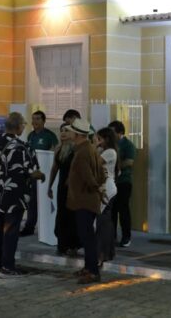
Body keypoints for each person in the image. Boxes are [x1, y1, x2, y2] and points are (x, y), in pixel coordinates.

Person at [0, 112, 45, 277]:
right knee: (10, 232)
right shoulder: (23, 147)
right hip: (15, 197)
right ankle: (8, 266)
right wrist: (42, 175)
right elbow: (33, 172)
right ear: (19, 127)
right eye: (23, 125)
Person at [67, 118, 106, 284]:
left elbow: (88, 177)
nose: (67, 133)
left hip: (84, 200)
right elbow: (102, 174)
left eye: (70, 131)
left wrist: (95, 188)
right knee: (87, 237)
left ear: (77, 134)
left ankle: (93, 271)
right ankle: (89, 268)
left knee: (87, 238)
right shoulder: (90, 149)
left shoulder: (82, 152)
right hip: (88, 199)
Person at [22, 110, 59, 236]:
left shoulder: (49, 135)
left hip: (46, 174)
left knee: (45, 201)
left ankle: (48, 228)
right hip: (33, 173)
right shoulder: (30, 136)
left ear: (44, 121)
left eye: (38, 119)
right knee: (32, 201)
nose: (35, 121)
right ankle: (29, 227)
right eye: (33, 119)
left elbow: (55, 151)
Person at [48, 122, 81, 256]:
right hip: (62, 186)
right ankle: (62, 244)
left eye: (66, 131)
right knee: (62, 214)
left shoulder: (77, 149)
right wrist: (49, 186)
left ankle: (74, 245)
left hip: (74, 187)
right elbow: (54, 168)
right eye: (61, 130)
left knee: (73, 215)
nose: (63, 133)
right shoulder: (58, 149)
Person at [108, 120, 136, 248]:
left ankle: (126, 237)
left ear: (120, 133)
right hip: (111, 182)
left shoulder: (128, 145)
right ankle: (111, 236)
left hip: (123, 182)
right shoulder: (110, 145)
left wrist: (115, 166)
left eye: (112, 132)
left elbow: (129, 162)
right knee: (111, 211)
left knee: (123, 210)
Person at [95, 127, 118, 266]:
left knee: (103, 224)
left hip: (107, 190)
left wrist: (93, 146)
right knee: (105, 223)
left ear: (106, 139)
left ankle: (102, 253)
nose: (98, 142)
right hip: (107, 188)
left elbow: (94, 163)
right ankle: (107, 253)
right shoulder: (105, 151)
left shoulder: (109, 152)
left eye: (100, 139)